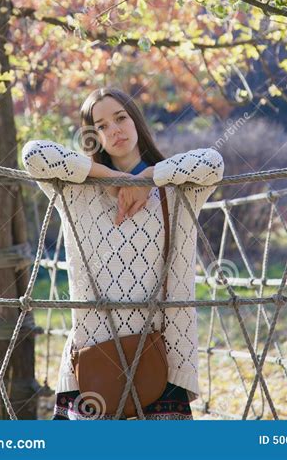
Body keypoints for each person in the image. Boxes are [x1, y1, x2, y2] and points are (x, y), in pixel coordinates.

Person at [22, 86, 224, 420]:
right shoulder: (75, 192)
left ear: (136, 121)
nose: (114, 130)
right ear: (93, 136)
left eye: (121, 118)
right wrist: (108, 176)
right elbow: (33, 154)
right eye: (101, 126)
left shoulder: (178, 190)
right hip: (93, 356)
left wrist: (146, 179)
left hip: (161, 354)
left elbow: (212, 163)